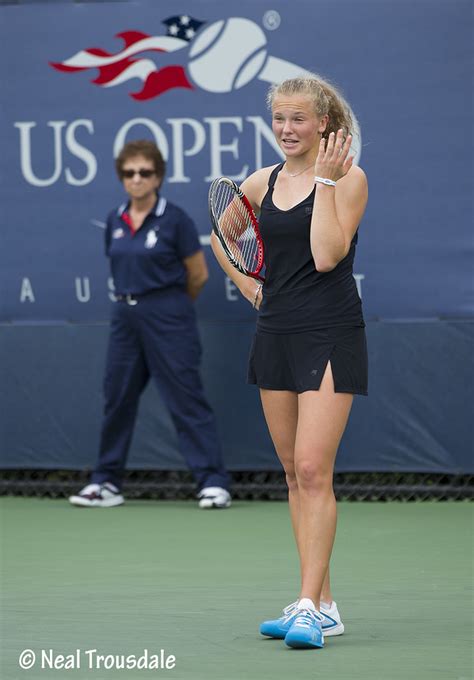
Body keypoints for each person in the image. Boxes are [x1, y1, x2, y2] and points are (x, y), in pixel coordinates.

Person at [211, 75, 368, 648]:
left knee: (311, 469)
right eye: (279, 118)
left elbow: (327, 256)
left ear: (324, 123)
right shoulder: (261, 180)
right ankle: (322, 603)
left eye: (298, 119)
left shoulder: (350, 180)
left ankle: (306, 605)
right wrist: (250, 287)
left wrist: (324, 181)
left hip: (330, 333)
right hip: (274, 331)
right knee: (291, 474)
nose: (286, 129)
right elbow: (220, 236)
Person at [70, 140, 231, 510]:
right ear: (121, 177)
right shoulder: (114, 219)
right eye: (129, 173)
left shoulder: (175, 220)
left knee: (186, 399)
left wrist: (168, 307)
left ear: (158, 176)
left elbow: (198, 274)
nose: (137, 179)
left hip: (169, 316)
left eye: (145, 172)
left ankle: (212, 482)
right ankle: (106, 482)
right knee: (117, 399)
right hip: (124, 319)